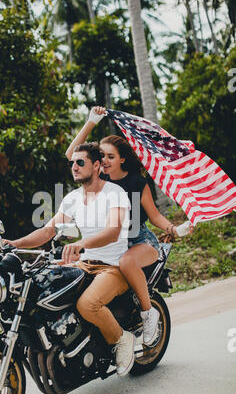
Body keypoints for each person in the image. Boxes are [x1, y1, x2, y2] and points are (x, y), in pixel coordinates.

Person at [3, 142, 137, 377]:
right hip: (84, 264)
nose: (74, 166)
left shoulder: (114, 193)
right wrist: (15, 244)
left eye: (80, 162)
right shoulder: (73, 198)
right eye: (72, 163)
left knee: (88, 304)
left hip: (114, 266)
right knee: (45, 290)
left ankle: (122, 339)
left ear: (96, 165)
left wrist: (80, 244)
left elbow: (113, 231)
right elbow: (47, 231)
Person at [65, 106, 194, 346]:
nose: (103, 161)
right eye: (101, 156)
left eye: (110, 157)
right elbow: (73, 153)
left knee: (126, 261)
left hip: (139, 241)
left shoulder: (136, 182)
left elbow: (154, 216)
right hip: (109, 245)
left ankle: (148, 314)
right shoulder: (99, 179)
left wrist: (175, 229)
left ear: (122, 159)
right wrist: (91, 122)